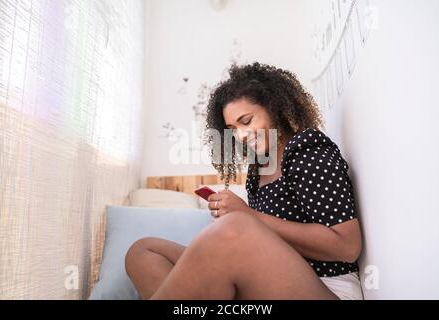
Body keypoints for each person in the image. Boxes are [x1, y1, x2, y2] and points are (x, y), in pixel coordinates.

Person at [125, 62, 363, 300]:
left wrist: (248, 217)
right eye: (232, 128)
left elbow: (347, 247)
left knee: (235, 228)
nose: (240, 135)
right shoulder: (258, 169)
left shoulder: (306, 150)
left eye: (246, 121)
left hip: (327, 287)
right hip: (267, 284)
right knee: (144, 251)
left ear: (275, 108)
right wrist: (240, 217)